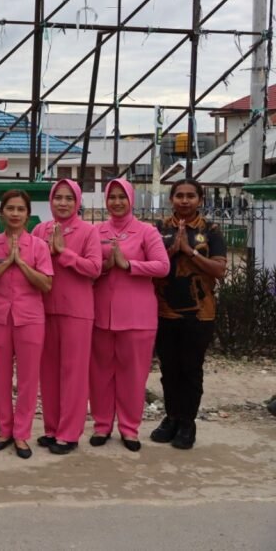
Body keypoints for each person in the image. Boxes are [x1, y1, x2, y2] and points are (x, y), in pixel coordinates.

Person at [90, 178, 169, 452]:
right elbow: (88, 267)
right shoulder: (96, 231)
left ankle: (129, 428)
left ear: (131, 199)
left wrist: (129, 265)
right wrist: (104, 265)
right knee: (99, 374)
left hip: (137, 317)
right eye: (111, 197)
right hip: (101, 315)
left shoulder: (146, 231)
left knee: (133, 375)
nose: (116, 202)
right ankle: (101, 425)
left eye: (122, 197)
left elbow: (162, 266)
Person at [0, 190, 53, 459]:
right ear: (2, 212)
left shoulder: (39, 246)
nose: (16, 214)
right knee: (0, 376)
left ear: (28, 215)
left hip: (30, 318)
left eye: (21, 209)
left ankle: (22, 434)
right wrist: (6, 262)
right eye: (11, 208)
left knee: (29, 379)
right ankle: (4, 431)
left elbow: (46, 283)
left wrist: (20, 263)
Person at [151, 178, 227, 449]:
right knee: (169, 369)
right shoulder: (159, 229)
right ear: (171, 199)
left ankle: (187, 422)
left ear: (200, 199)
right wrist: (171, 253)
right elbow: (152, 265)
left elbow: (219, 270)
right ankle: (170, 418)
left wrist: (188, 251)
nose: (184, 200)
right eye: (179, 195)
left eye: (190, 196)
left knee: (191, 370)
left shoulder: (212, 230)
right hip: (165, 310)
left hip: (200, 313)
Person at [31, 179, 102, 455]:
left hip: (77, 311)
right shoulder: (40, 230)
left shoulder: (88, 232)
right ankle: (51, 429)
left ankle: (69, 433)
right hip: (44, 309)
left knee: (73, 373)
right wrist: (45, 251)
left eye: (68, 198)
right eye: (58, 197)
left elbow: (95, 268)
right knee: (47, 372)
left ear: (77, 202)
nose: (62, 203)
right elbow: (31, 263)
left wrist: (64, 253)